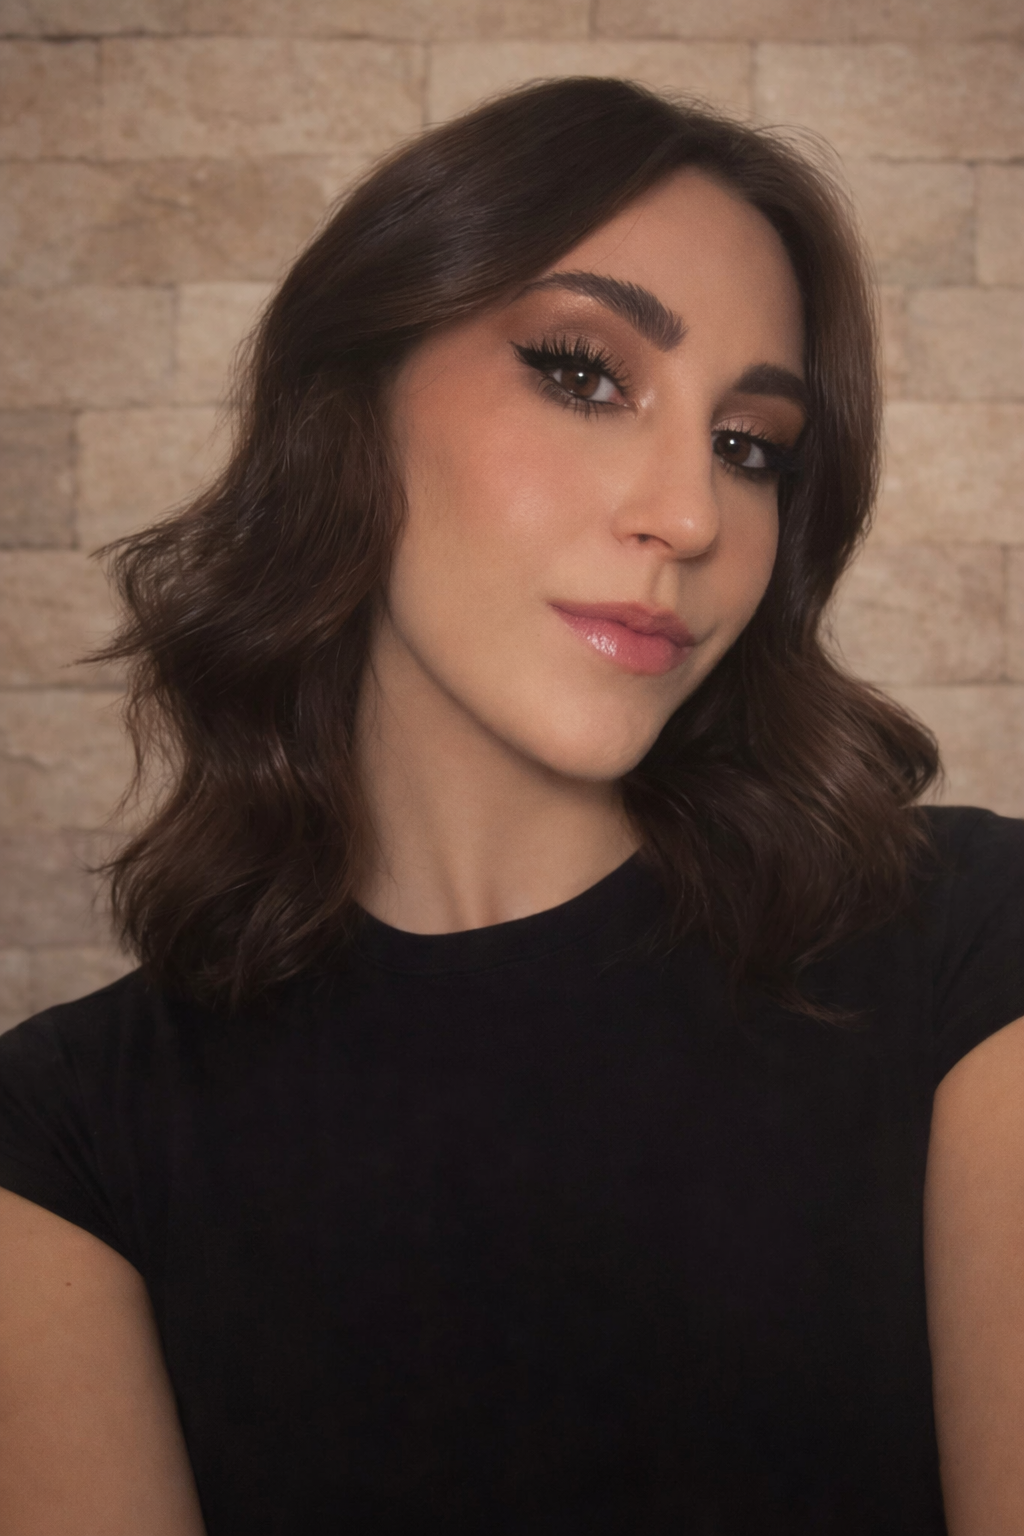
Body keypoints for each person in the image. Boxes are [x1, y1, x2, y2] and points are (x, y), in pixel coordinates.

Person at [0, 76, 1021, 1536]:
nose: (691, 514)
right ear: (346, 403)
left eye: (752, 447)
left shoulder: (971, 953)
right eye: (584, 372)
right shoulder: (65, 1138)